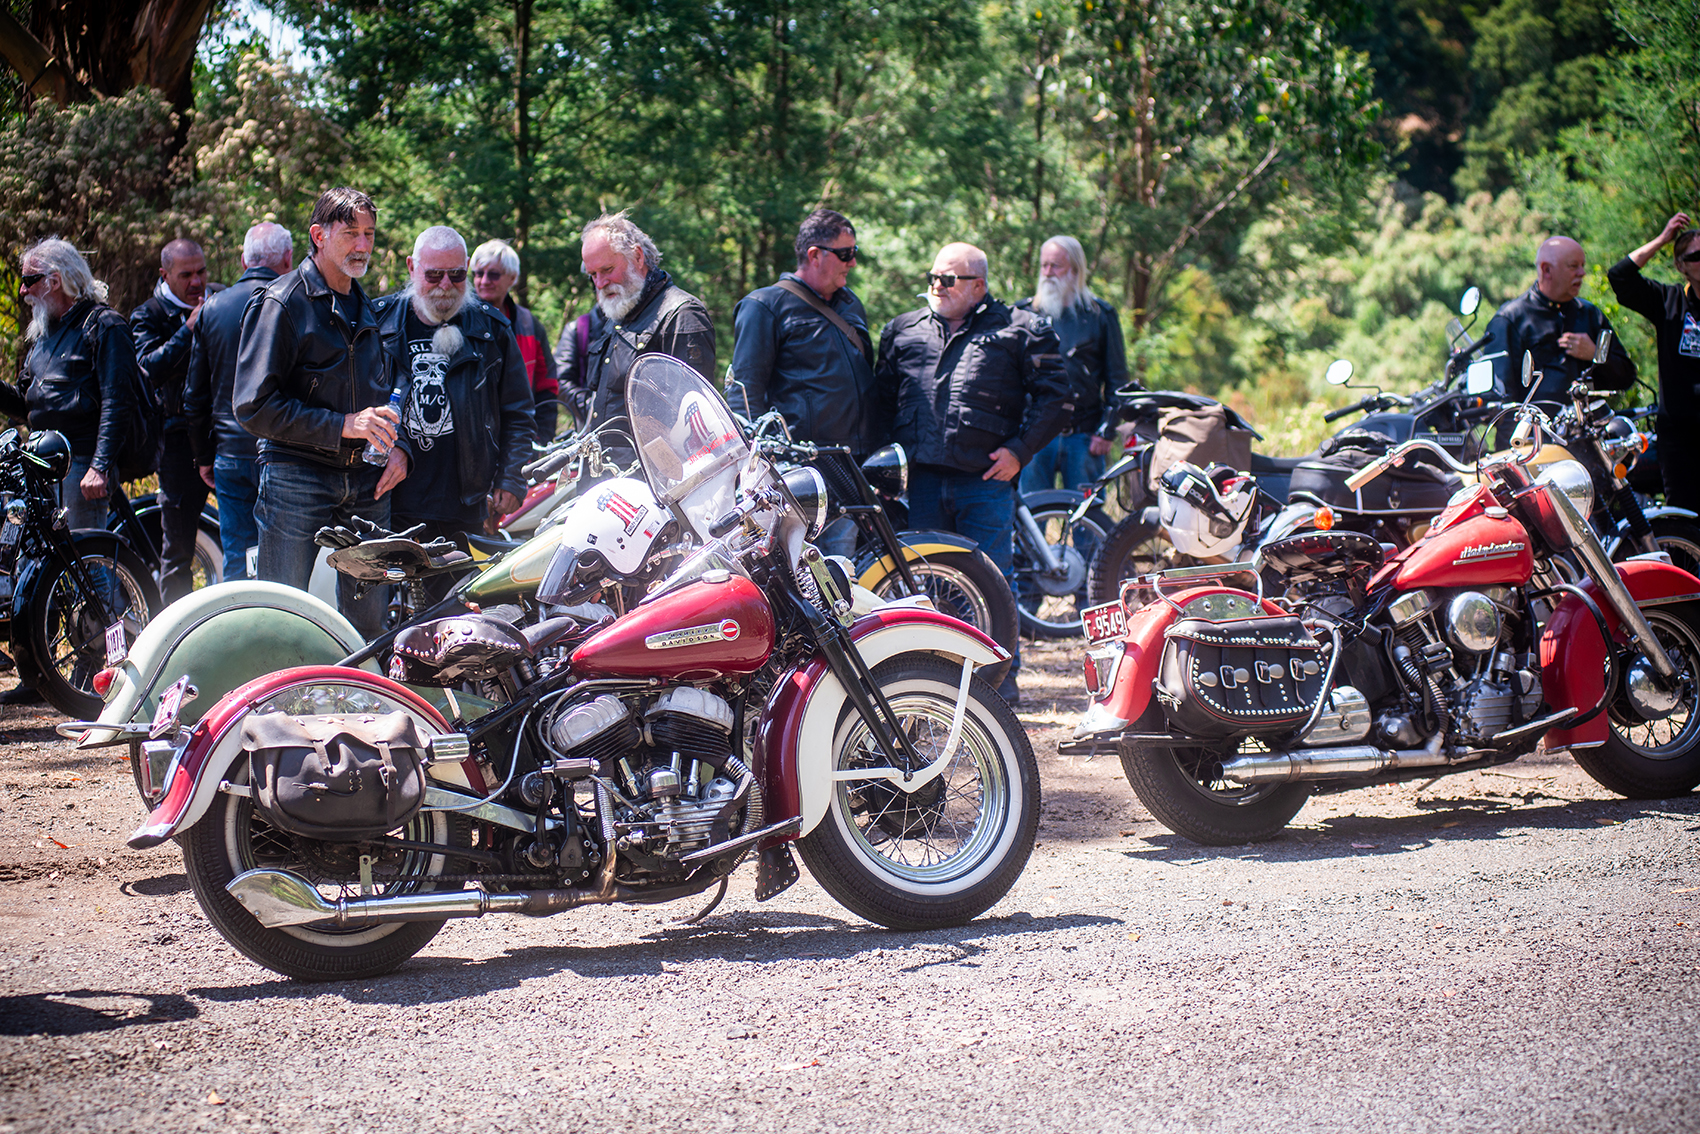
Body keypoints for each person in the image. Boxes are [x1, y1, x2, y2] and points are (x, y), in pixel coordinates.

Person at [875, 241, 1071, 703]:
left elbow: (1058, 399)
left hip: (984, 484)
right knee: (925, 584)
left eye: (948, 279)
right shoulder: (903, 330)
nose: (936, 287)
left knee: (993, 582)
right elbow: (879, 404)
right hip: (920, 484)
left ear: (978, 286)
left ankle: (1001, 685)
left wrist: (1020, 451)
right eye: (933, 277)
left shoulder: (1020, 330)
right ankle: (932, 683)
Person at [234, 187, 407, 639]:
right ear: (318, 235)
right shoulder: (281, 302)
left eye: (369, 233)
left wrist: (396, 446)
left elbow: (391, 391)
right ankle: (271, 704)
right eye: (351, 233)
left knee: (369, 622)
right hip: (296, 479)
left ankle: (362, 706)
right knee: (283, 611)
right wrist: (343, 427)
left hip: (368, 485)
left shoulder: (370, 306)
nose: (364, 245)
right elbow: (252, 407)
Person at [0, 238, 139, 703]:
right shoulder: (42, 335)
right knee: (37, 577)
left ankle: (126, 671)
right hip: (40, 466)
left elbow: (117, 401)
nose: (23, 291)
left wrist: (100, 465)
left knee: (89, 570)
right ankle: (38, 677)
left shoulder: (105, 325)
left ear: (55, 280)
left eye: (30, 280)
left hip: (81, 462)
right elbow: (25, 405)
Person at [374, 226, 534, 603]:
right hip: (387, 501)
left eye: (456, 274)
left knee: (456, 613)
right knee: (380, 617)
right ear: (412, 268)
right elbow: (356, 403)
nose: (445, 284)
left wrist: (511, 480)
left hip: (463, 502)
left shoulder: (491, 329)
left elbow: (518, 411)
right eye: (433, 274)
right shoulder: (376, 324)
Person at [725, 208, 876, 557]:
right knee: (806, 571)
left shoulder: (850, 305)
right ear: (814, 254)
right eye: (845, 253)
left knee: (847, 569)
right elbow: (744, 395)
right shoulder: (765, 305)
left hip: (853, 467)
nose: (852, 263)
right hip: (803, 473)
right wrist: (760, 471)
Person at [184, 222, 293, 583]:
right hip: (283, 452)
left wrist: (203, 456)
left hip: (229, 454)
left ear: (244, 259)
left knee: (238, 556)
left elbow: (194, 395)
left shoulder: (213, 308)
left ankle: (237, 633)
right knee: (286, 559)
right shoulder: (296, 302)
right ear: (289, 260)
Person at [572, 212, 715, 461]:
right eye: (592, 275)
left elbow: (693, 424)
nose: (600, 283)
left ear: (638, 257)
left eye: (607, 270)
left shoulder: (681, 314)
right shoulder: (622, 309)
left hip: (650, 486)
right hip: (604, 475)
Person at [130, 238, 219, 602]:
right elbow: (148, 368)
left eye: (201, 271)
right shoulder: (148, 315)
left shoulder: (221, 298)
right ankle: (176, 638)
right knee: (178, 547)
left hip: (222, 436)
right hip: (177, 443)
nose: (197, 282)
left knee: (244, 536)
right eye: (186, 275)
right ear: (165, 275)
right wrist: (188, 330)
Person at [1016, 235, 1129, 496]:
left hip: (1084, 435)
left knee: (1088, 519)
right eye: (1044, 265)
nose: (1048, 273)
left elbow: (1118, 379)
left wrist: (1107, 430)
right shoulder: (1022, 314)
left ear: (1076, 270)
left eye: (1056, 266)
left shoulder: (1100, 315)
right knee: (1031, 518)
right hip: (1033, 434)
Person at [1608, 212, 1700, 512]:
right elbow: (1619, 276)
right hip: (1679, 434)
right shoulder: (1669, 301)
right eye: (1695, 256)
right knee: (1683, 515)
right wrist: (1662, 240)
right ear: (1681, 266)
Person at [1481, 235, 1636, 402]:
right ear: (1547, 270)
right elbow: (1499, 400)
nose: (1582, 273)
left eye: (1583, 266)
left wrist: (1595, 354)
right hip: (1535, 427)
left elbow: (1627, 378)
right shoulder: (1509, 319)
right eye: (1573, 266)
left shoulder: (1590, 314)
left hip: (1590, 425)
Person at [470, 238, 559, 443]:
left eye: (493, 274)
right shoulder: (458, 321)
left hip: (517, 440)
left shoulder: (529, 325)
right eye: (478, 273)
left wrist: (540, 438)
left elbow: (547, 388)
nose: (483, 281)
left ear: (512, 278)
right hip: (471, 441)